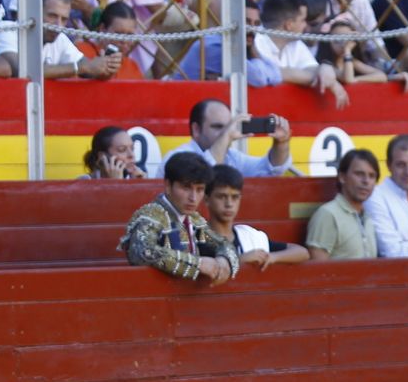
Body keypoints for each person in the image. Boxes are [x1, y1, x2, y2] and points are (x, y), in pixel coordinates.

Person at [120, 151, 238, 283]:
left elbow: (222, 243)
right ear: (168, 186)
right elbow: (143, 252)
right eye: (186, 188)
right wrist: (197, 264)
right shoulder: (151, 216)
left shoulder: (194, 220)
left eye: (199, 189)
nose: (193, 198)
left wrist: (224, 259)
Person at [253, 0, 350, 107]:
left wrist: (325, 67)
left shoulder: (295, 43)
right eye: (303, 20)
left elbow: (311, 68)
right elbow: (272, 73)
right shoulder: (255, 40)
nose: (306, 26)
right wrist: (323, 77)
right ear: (289, 25)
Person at [203, 165, 310, 269]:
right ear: (207, 199)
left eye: (235, 197)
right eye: (221, 197)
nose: (229, 204)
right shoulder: (197, 241)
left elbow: (302, 252)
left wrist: (271, 257)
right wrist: (240, 260)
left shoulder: (248, 236)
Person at [161, 98, 293, 179]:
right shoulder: (175, 157)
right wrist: (226, 136)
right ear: (196, 130)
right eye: (218, 127)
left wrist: (281, 143)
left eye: (228, 126)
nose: (226, 132)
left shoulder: (232, 157)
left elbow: (271, 170)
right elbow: (202, 178)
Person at [306, 148, 380, 260]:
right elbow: (318, 267)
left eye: (372, 176)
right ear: (342, 177)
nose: (366, 181)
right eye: (359, 174)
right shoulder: (327, 214)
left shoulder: (369, 217)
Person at [81, 125, 145, 179]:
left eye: (132, 148)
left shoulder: (133, 178)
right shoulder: (84, 182)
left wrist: (139, 186)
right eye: (122, 150)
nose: (131, 155)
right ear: (102, 156)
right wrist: (115, 184)